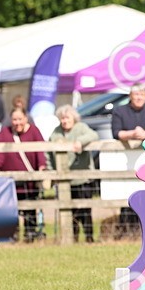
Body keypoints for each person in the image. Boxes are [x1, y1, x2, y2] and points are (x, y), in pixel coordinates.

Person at [0, 107, 47, 240]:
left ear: (26, 119)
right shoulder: (5, 133)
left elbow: (40, 150)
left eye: (20, 119)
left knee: (30, 208)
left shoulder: (34, 131)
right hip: (11, 181)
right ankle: (12, 235)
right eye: (14, 120)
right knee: (11, 209)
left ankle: (30, 234)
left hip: (30, 179)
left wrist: (42, 166)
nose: (17, 122)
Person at [48, 104, 100, 243]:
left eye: (67, 118)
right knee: (69, 211)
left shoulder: (81, 127)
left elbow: (94, 135)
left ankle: (89, 237)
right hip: (65, 179)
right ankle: (73, 238)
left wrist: (80, 142)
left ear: (73, 118)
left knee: (85, 210)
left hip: (82, 177)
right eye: (62, 118)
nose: (65, 121)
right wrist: (51, 172)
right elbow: (49, 152)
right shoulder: (56, 132)